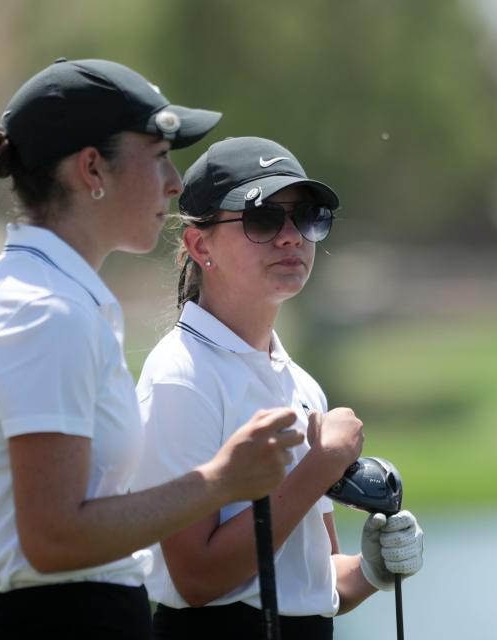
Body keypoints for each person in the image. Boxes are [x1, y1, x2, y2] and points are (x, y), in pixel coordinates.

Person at [0, 59, 305, 640]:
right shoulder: (44, 309)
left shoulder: (57, 297)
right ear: (92, 169)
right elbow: (55, 535)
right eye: (159, 154)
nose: (176, 182)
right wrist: (221, 480)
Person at [131, 136, 425, 639]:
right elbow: (197, 578)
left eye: (306, 217)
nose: (291, 237)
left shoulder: (300, 383)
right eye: (262, 218)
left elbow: (310, 582)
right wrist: (321, 466)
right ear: (201, 246)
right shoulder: (181, 375)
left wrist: (372, 570)